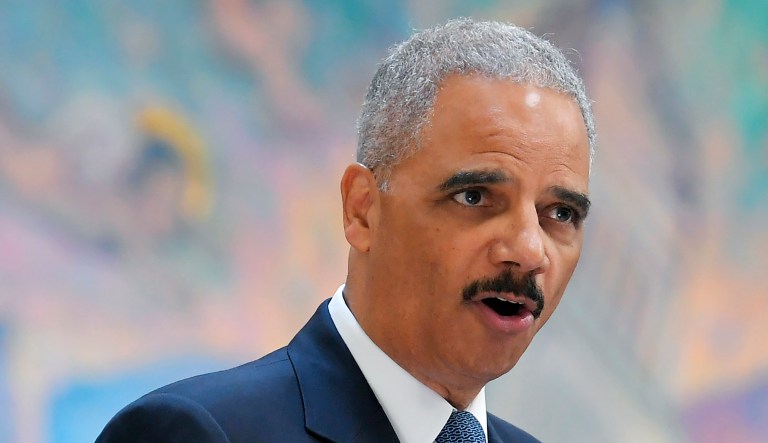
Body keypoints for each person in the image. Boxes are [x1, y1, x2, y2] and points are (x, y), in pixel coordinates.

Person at [97, 18, 595, 443]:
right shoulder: (200, 432)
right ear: (362, 210)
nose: (530, 250)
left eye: (560, 214)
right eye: (475, 197)